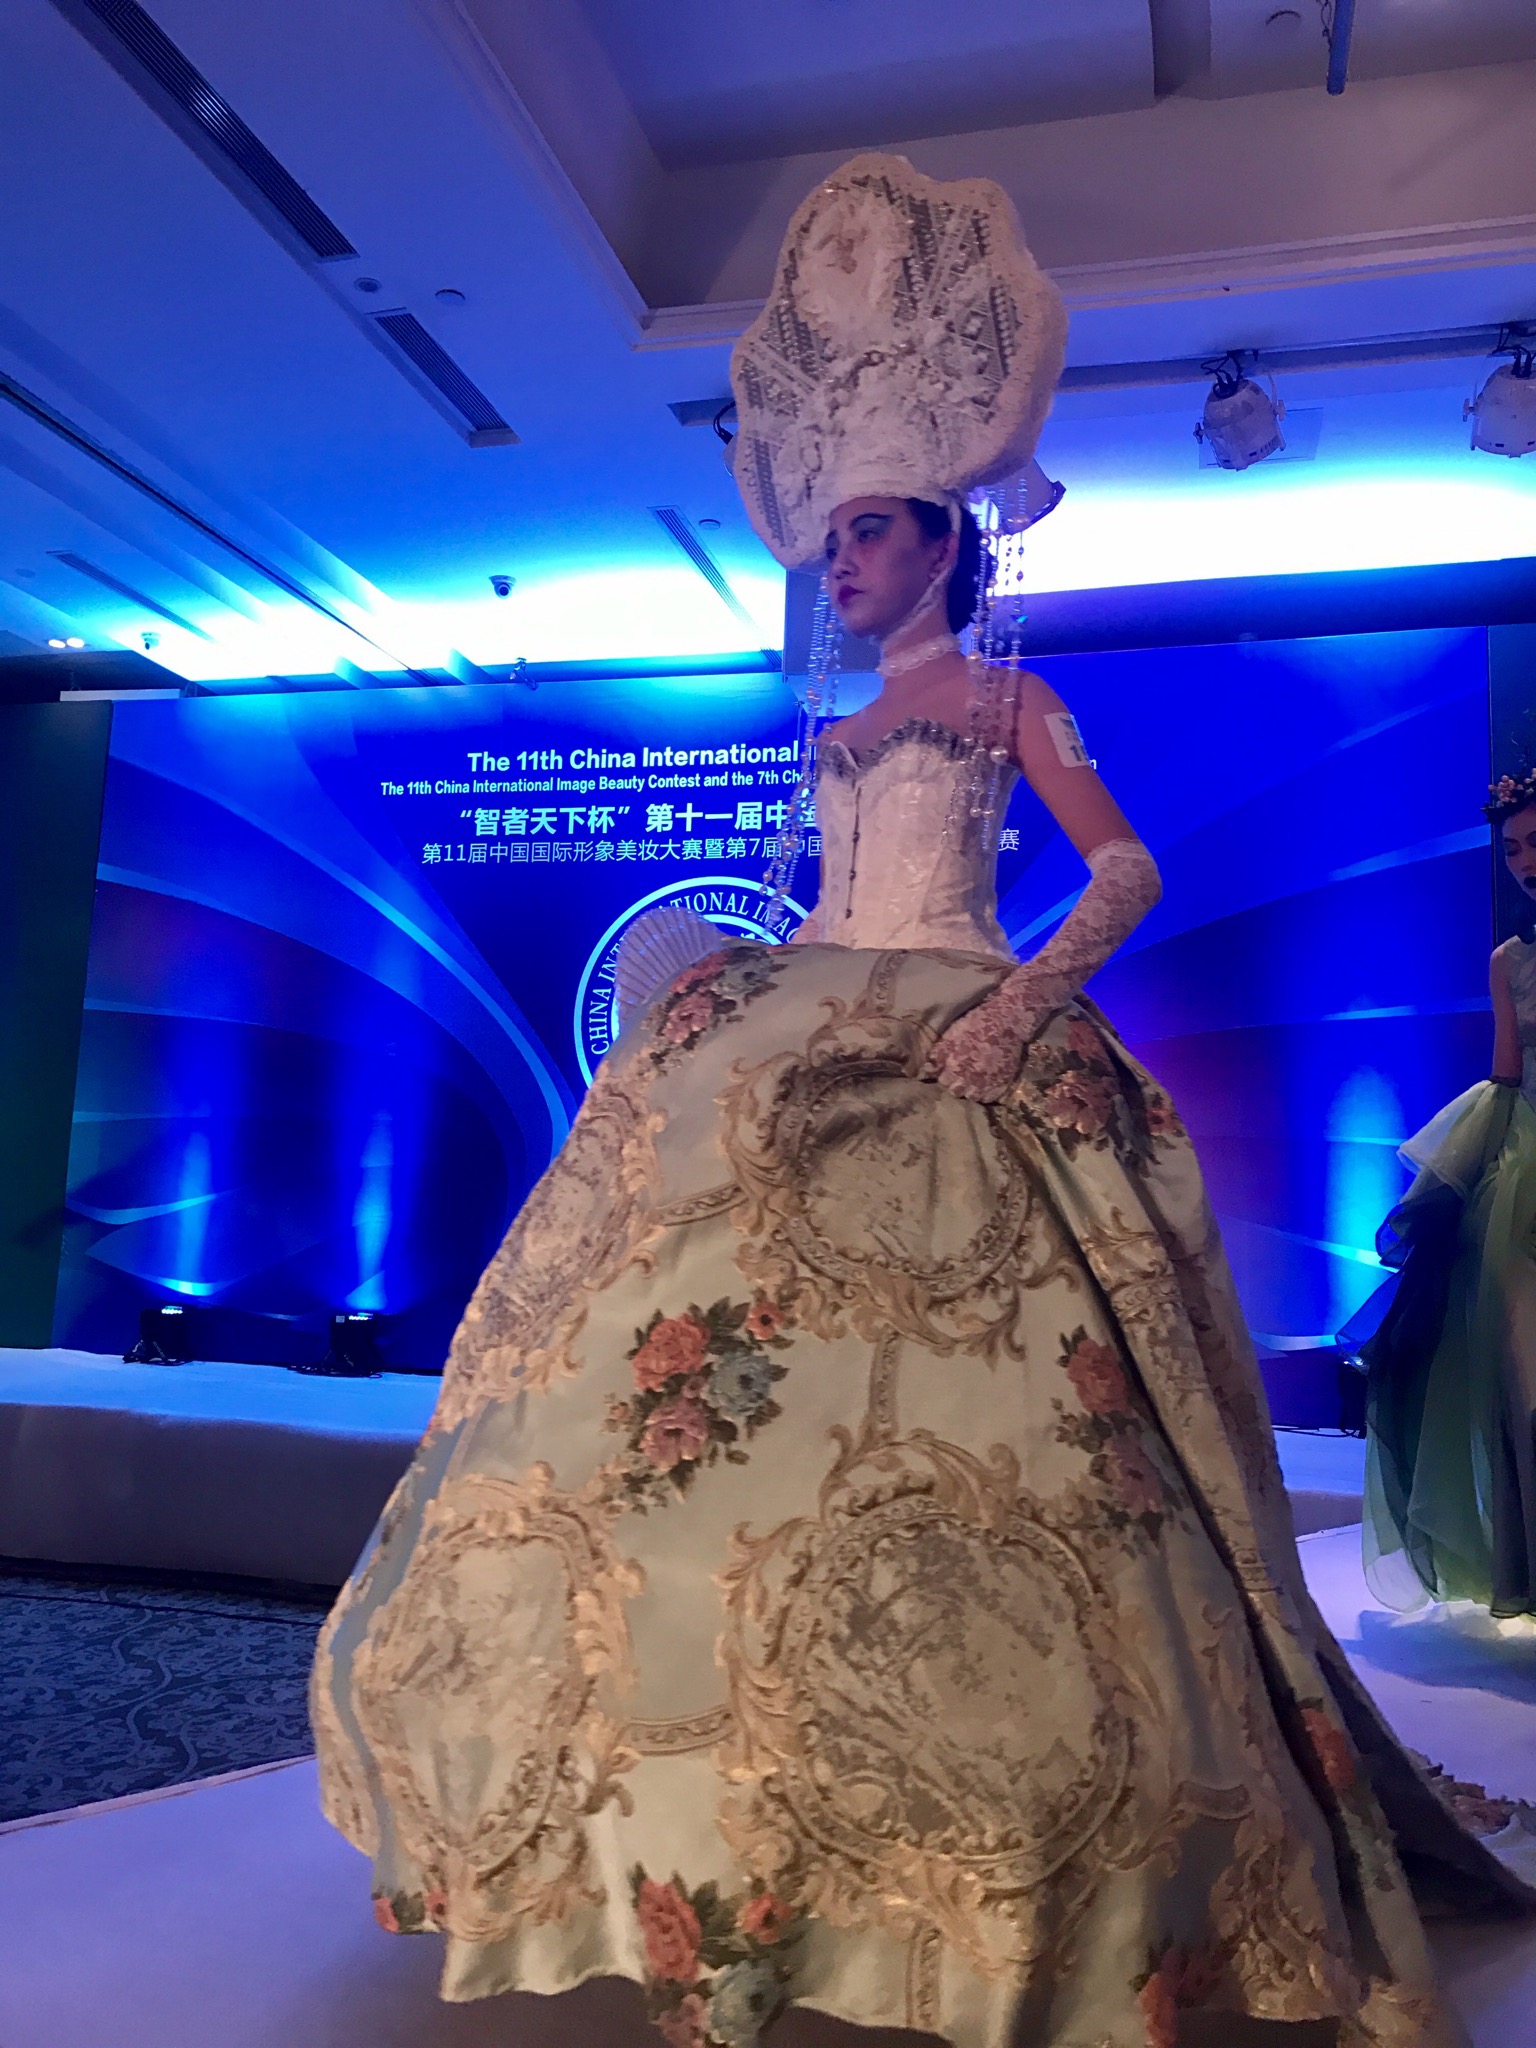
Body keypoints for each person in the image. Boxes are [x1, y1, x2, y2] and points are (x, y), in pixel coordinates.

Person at [312, 154, 1523, 2048]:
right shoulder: (837, 726)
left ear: (945, 544)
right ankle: (685, 1793)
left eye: (874, 533)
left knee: (1021, 1407)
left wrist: (1020, 1008)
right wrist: (738, 989)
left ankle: (1016, 1816)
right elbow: (823, 906)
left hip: (966, 1011)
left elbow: (1125, 875)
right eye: (838, 539)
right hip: (816, 1008)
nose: (847, 563)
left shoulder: (1009, 707)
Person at [1361, 771, 1536, 1618]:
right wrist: (1458, 1177)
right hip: (1527, 1179)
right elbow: (1507, 1076)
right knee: (1522, 1383)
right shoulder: (1511, 961)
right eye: (1514, 850)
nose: (1527, 862)